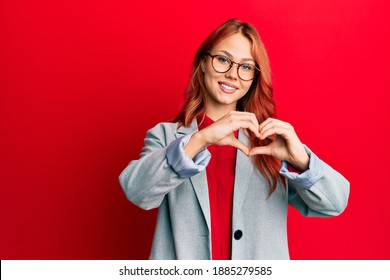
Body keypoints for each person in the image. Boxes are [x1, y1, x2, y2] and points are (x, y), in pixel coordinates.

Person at [119, 19, 350, 260]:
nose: (232, 74)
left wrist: (301, 160)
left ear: (253, 79)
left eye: (246, 67)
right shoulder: (166, 136)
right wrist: (200, 139)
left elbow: (335, 204)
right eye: (223, 60)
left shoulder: (269, 143)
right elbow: (137, 192)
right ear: (203, 63)